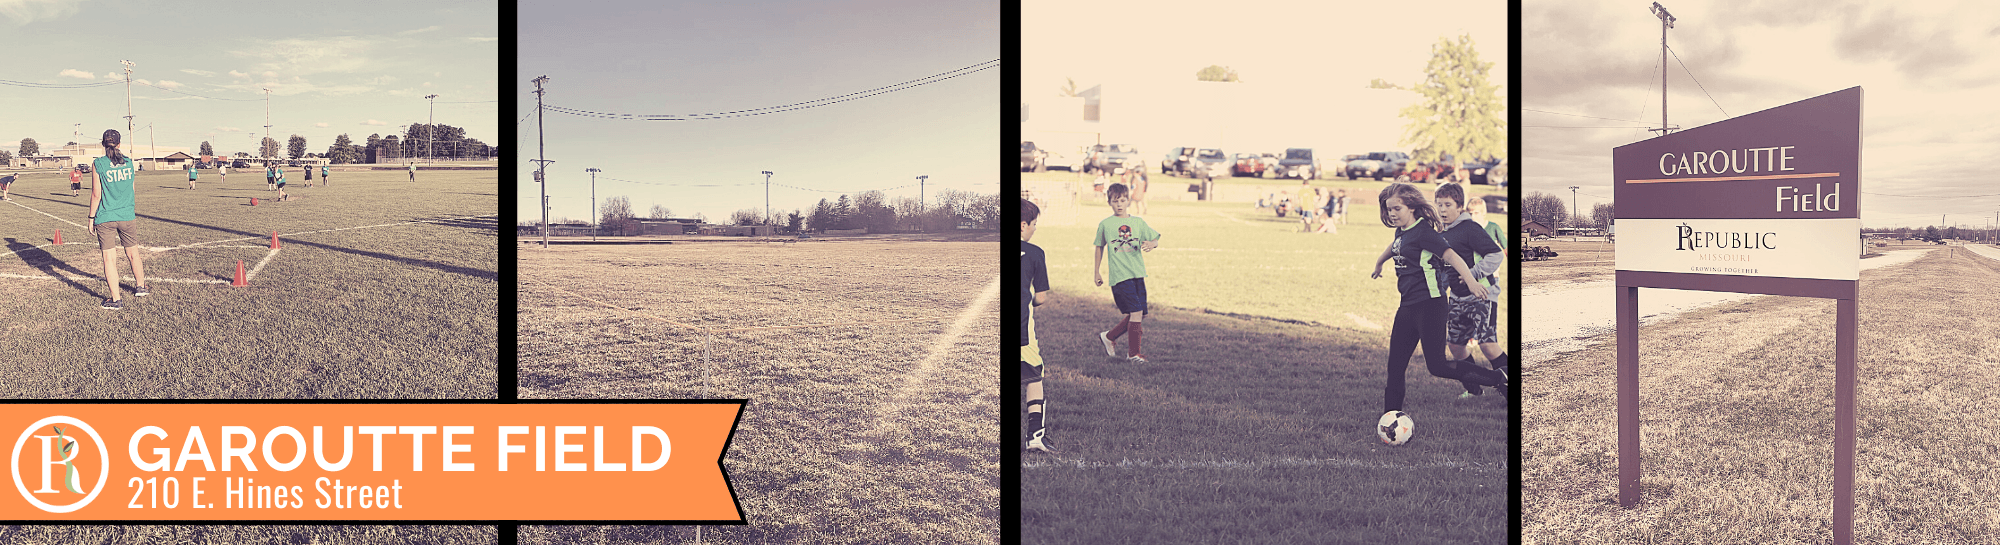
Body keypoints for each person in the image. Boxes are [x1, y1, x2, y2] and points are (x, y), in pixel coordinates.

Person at [1369, 183, 1505, 421]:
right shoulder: (1402, 230)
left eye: (1396, 208)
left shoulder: (1425, 232)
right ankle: (1390, 419)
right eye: (1388, 209)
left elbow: (1451, 255)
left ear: (1411, 207)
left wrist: (1471, 281)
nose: (1391, 213)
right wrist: (1379, 262)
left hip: (1430, 306)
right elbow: (1395, 247)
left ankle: (1499, 379)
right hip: (1407, 306)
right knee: (1395, 367)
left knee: (1438, 367)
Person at [1434, 184, 1507, 397]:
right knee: (1456, 346)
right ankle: (1474, 392)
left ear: (1459, 206)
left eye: (1448, 205)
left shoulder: (1470, 228)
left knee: (1487, 344)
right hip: (1457, 297)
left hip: (1482, 293)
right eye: (1439, 205)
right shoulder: (1442, 231)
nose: (1443, 210)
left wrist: (1472, 275)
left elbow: (1496, 255)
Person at [1093, 183, 1162, 363]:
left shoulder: (1138, 222)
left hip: (1138, 274)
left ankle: (1109, 337)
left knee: (1141, 314)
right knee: (1137, 312)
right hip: (1120, 277)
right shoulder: (1106, 224)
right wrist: (1097, 272)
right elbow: (1099, 247)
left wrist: (1152, 245)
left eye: (1123, 200)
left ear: (1128, 200)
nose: (1119, 204)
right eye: (1115, 201)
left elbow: (1155, 239)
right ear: (1109, 202)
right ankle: (1133, 355)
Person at [88, 129, 149, 310]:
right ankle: (141, 287)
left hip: (106, 217)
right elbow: (133, 189)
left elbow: (95, 194)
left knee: (109, 260)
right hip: (127, 215)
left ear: (103, 144)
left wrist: (91, 217)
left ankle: (116, 300)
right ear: (120, 144)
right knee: (133, 254)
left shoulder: (98, 164)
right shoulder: (129, 163)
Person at [1021, 198, 1056, 453]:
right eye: (1034, 224)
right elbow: (1041, 297)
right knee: (1033, 375)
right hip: (1022, 328)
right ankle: (1035, 434)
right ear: (1023, 226)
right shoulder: (1035, 253)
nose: (1035, 229)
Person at [1466, 196, 1511, 391]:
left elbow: (1505, 248)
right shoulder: (1467, 229)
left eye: (1475, 212)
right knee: (1458, 341)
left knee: (1488, 339)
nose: (1472, 215)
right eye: (1469, 212)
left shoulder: (1492, 228)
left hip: (1490, 283)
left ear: (1483, 213)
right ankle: (1473, 389)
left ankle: (1505, 381)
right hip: (1470, 282)